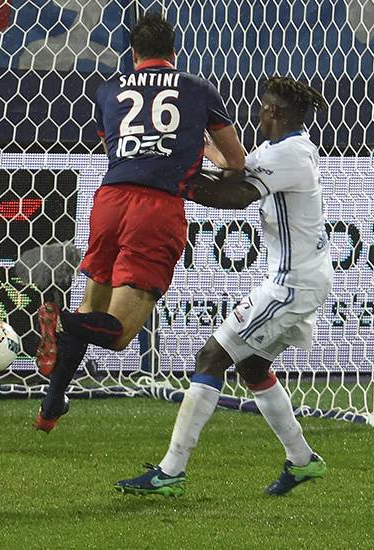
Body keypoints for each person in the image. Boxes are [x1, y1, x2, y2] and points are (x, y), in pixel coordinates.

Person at [114, 76, 332, 497]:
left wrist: (174, 180)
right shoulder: (281, 150)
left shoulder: (290, 155)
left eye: (262, 105)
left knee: (211, 355)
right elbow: (232, 171)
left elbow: (236, 196)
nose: (257, 111)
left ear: (274, 112)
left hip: (291, 284)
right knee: (252, 367)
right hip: (300, 277)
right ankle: (303, 461)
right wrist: (196, 155)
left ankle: (171, 471)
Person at [33, 12, 246, 432]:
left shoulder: (108, 89)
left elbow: (125, 143)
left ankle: (51, 404)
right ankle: (62, 323)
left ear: (132, 54)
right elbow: (235, 162)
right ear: (174, 51)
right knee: (116, 335)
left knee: (91, 306)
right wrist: (198, 146)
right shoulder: (198, 90)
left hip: (110, 200)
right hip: (157, 208)